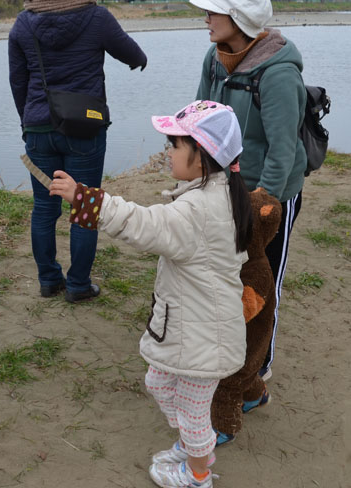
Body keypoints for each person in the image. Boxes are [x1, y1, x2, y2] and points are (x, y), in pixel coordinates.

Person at [49, 100, 251, 488]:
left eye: (175, 146)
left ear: (202, 157)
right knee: (158, 382)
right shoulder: (216, 190)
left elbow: (144, 224)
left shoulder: (197, 209)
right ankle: (195, 447)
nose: (168, 153)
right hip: (196, 327)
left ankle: (198, 474)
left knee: (193, 412)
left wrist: (85, 199)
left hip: (202, 336)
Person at [9, 0, 147, 303]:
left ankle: (48, 281)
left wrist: (29, 123)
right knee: (84, 206)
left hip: (38, 129)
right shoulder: (96, 16)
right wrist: (135, 59)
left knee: (44, 208)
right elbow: (134, 55)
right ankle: (78, 286)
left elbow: (17, 82)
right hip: (85, 128)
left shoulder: (24, 22)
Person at [193, 0, 306, 380]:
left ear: (237, 17)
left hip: (268, 194)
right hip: (226, 186)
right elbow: (200, 118)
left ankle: (260, 367)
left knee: (263, 278)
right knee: (227, 272)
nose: (205, 18)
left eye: (213, 11)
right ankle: (225, 347)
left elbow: (284, 149)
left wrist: (265, 203)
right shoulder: (214, 58)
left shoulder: (278, 74)